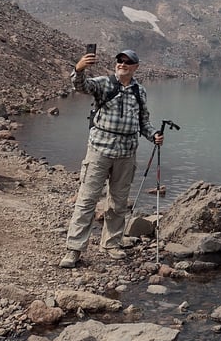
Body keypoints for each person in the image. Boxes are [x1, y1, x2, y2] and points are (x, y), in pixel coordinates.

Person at [59, 48, 163, 268]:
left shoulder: (140, 92)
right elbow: (81, 87)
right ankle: (74, 249)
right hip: (99, 150)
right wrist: (79, 69)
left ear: (135, 67)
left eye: (128, 62)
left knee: (118, 202)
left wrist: (153, 135)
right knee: (87, 200)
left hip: (126, 154)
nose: (122, 64)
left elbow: (143, 122)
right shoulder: (104, 83)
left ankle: (111, 243)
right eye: (120, 60)